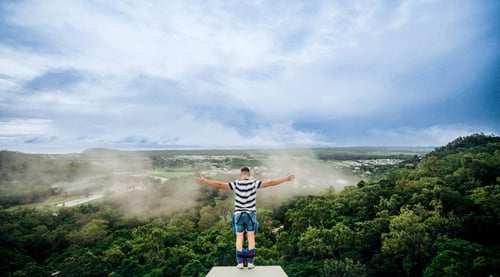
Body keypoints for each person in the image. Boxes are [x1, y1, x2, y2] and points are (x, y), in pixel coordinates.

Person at [196, 167, 294, 269]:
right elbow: (270, 182)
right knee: (251, 238)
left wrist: (205, 181)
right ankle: (250, 263)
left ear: (241, 174)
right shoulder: (254, 182)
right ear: (249, 174)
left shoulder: (237, 183)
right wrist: (285, 179)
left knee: (239, 238)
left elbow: (220, 185)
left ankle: (240, 263)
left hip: (238, 214)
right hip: (250, 214)